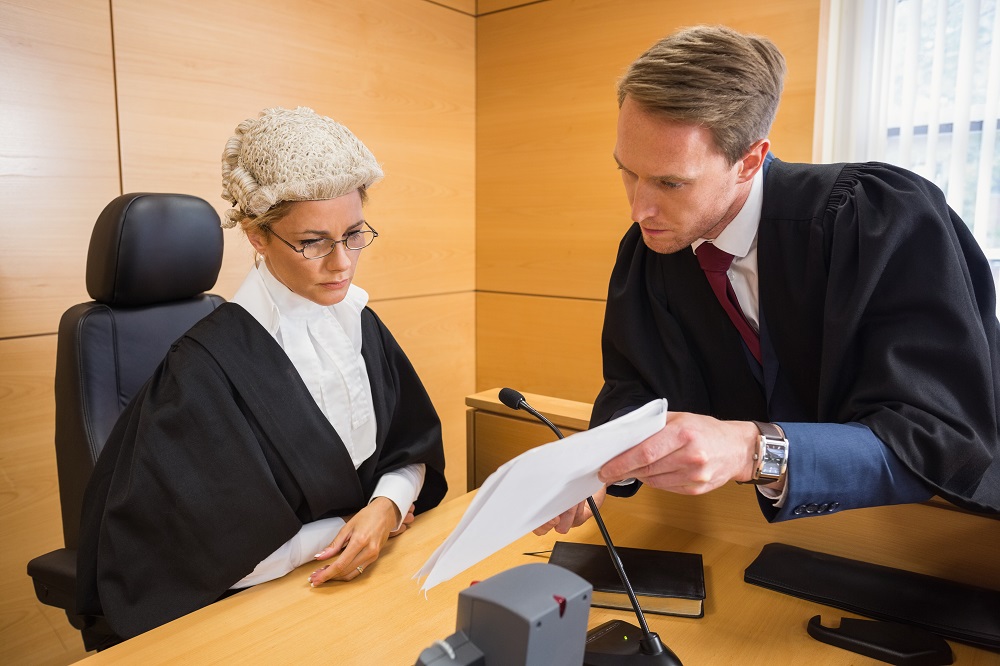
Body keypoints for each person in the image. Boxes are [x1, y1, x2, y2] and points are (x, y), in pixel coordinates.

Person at [538, 25, 1000, 535]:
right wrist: (599, 465)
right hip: (746, 538)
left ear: (750, 160)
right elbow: (635, 391)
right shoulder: (651, 246)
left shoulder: (882, 219)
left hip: (942, 541)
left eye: (671, 182)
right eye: (628, 171)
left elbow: (939, 436)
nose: (639, 207)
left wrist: (750, 449)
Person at [77, 106, 448, 641]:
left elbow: (409, 448)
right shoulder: (201, 372)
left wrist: (386, 506)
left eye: (353, 234)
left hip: (365, 583)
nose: (341, 264)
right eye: (313, 242)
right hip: (260, 614)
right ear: (256, 235)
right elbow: (197, 562)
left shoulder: (359, 322)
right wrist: (349, 529)